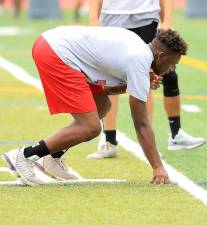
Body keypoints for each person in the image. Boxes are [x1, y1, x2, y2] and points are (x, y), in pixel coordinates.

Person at [2, 25, 187, 185]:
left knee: (103, 106)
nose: (171, 70)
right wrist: (158, 168)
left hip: (53, 44)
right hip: (56, 52)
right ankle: (24, 155)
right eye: (172, 64)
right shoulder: (139, 61)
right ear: (161, 56)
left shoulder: (138, 46)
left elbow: (105, 90)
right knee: (90, 127)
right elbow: (141, 124)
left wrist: (135, 82)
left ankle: (53, 157)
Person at [87, 0, 205, 160]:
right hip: (111, 18)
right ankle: (109, 141)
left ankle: (148, 144)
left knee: (147, 78)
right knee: (109, 78)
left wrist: (167, 20)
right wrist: (94, 20)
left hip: (147, 18)